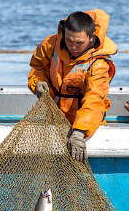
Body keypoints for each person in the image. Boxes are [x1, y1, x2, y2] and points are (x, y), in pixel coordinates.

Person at [28, 9, 117, 162]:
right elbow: (38, 68)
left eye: (79, 43)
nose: (73, 47)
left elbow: (95, 100)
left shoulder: (99, 64)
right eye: (69, 41)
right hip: (54, 120)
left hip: (86, 125)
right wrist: (38, 83)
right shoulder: (51, 45)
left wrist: (79, 133)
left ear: (91, 38)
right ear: (64, 33)